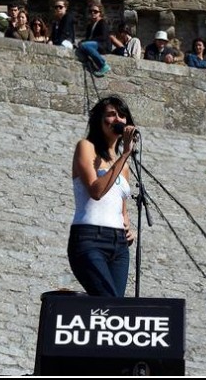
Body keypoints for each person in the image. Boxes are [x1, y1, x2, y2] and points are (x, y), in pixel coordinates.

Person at [68, 96, 136, 297]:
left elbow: (121, 205)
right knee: (109, 301)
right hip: (90, 237)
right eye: (112, 114)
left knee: (114, 309)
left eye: (122, 116)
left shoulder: (124, 167)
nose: (118, 119)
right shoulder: (86, 147)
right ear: (99, 120)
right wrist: (124, 155)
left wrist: (128, 227)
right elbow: (96, 191)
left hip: (118, 244)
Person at [78, 1, 111, 77]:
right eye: (91, 11)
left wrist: (88, 41)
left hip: (102, 45)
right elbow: (88, 38)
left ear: (100, 13)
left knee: (85, 45)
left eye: (95, 11)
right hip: (93, 44)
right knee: (82, 45)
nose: (93, 13)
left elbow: (103, 37)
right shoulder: (90, 25)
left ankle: (103, 65)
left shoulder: (102, 23)